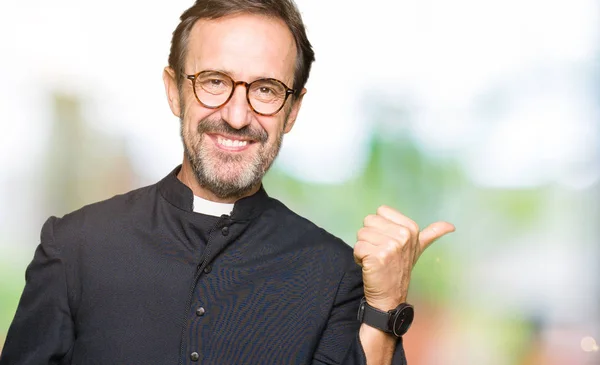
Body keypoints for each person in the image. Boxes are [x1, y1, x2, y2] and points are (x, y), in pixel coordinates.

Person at [0, 0, 455, 364]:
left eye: (266, 90)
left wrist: (386, 302)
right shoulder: (74, 246)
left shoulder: (335, 274)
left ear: (292, 110)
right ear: (174, 90)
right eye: (214, 82)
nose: (237, 117)